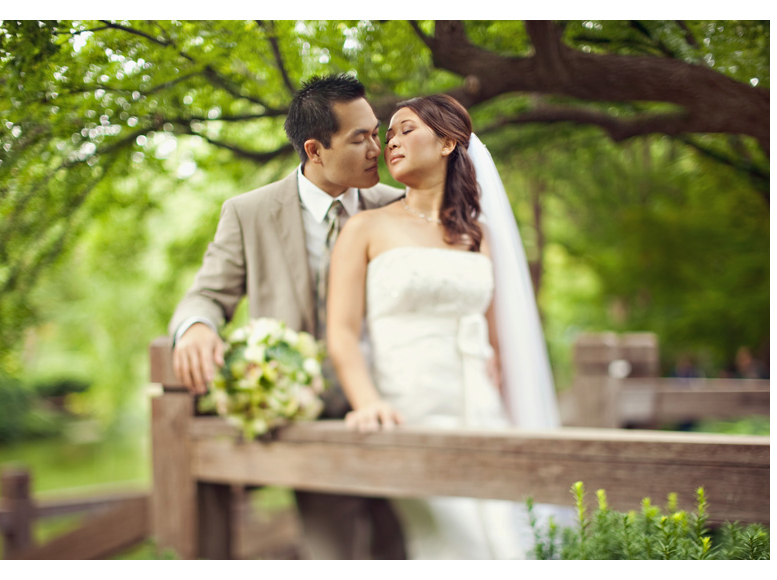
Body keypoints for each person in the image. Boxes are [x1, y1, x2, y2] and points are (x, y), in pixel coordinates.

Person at [168, 74, 406, 560]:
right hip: (310, 425)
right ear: (315, 150)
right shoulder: (248, 213)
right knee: (330, 556)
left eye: (375, 132)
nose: (376, 148)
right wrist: (195, 328)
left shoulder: (399, 205)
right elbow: (208, 295)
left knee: (408, 549)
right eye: (360, 138)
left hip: (400, 410)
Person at [326, 94, 564, 559]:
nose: (390, 142)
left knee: (507, 537)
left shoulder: (481, 236)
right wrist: (368, 402)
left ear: (448, 143)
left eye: (405, 129)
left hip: (481, 413)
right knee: (450, 543)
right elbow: (341, 332)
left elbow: (500, 339)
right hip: (406, 410)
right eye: (387, 134)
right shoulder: (366, 228)